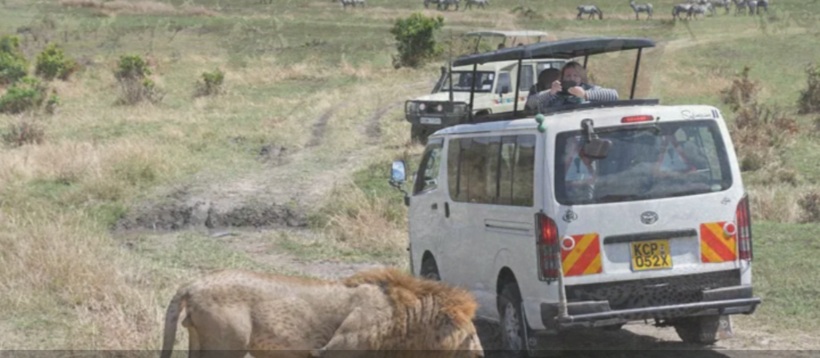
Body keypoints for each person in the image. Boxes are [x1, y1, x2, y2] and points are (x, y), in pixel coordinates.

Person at [527, 61, 619, 111]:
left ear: (581, 78)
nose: (572, 78)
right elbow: (530, 103)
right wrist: (550, 93)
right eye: (568, 76)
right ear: (562, 78)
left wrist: (585, 95)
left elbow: (614, 95)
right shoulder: (556, 93)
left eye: (575, 75)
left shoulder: (588, 89)